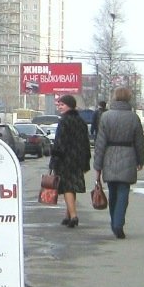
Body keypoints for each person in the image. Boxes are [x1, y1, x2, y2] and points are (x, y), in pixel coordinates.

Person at [94, 87, 144, 238]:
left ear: (114, 97)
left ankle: (114, 222)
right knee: (123, 191)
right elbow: (139, 141)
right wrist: (140, 160)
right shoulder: (133, 117)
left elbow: (100, 143)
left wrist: (98, 166)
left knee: (112, 192)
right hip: (128, 154)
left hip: (109, 155)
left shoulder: (106, 117)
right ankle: (118, 223)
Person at [48, 93, 91, 228]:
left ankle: (73, 216)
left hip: (65, 159)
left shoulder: (64, 121)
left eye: (62, 104)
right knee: (71, 188)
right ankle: (68, 215)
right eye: (59, 104)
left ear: (69, 106)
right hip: (78, 159)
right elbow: (86, 142)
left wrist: (54, 160)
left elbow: (59, 143)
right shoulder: (81, 121)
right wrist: (86, 160)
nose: (60, 107)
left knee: (67, 187)